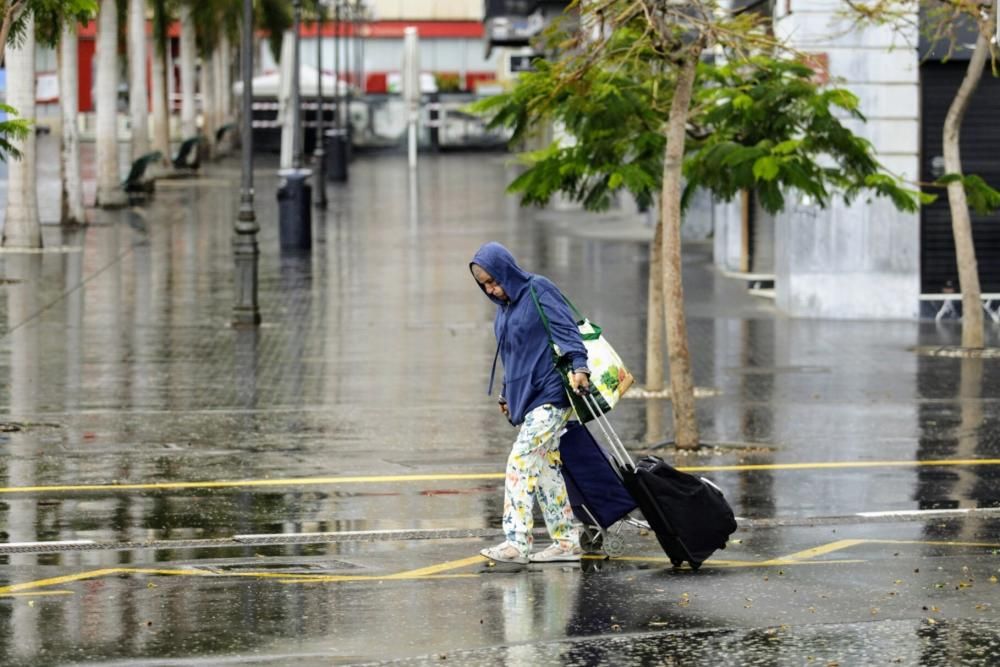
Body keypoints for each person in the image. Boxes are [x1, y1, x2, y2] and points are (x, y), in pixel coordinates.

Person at [470, 242, 591, 564]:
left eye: (494, 281)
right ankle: (566, 543)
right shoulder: (504, 308)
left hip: (553, 393)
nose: (493, 290)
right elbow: (513, 355)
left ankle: (516, 542)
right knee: (546, 469)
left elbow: (566, 329)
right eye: (485, 285)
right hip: (529, 397)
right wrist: (506, 393)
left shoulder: (538, 289)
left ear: (506, 270)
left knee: (520, 461)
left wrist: (580, 366)